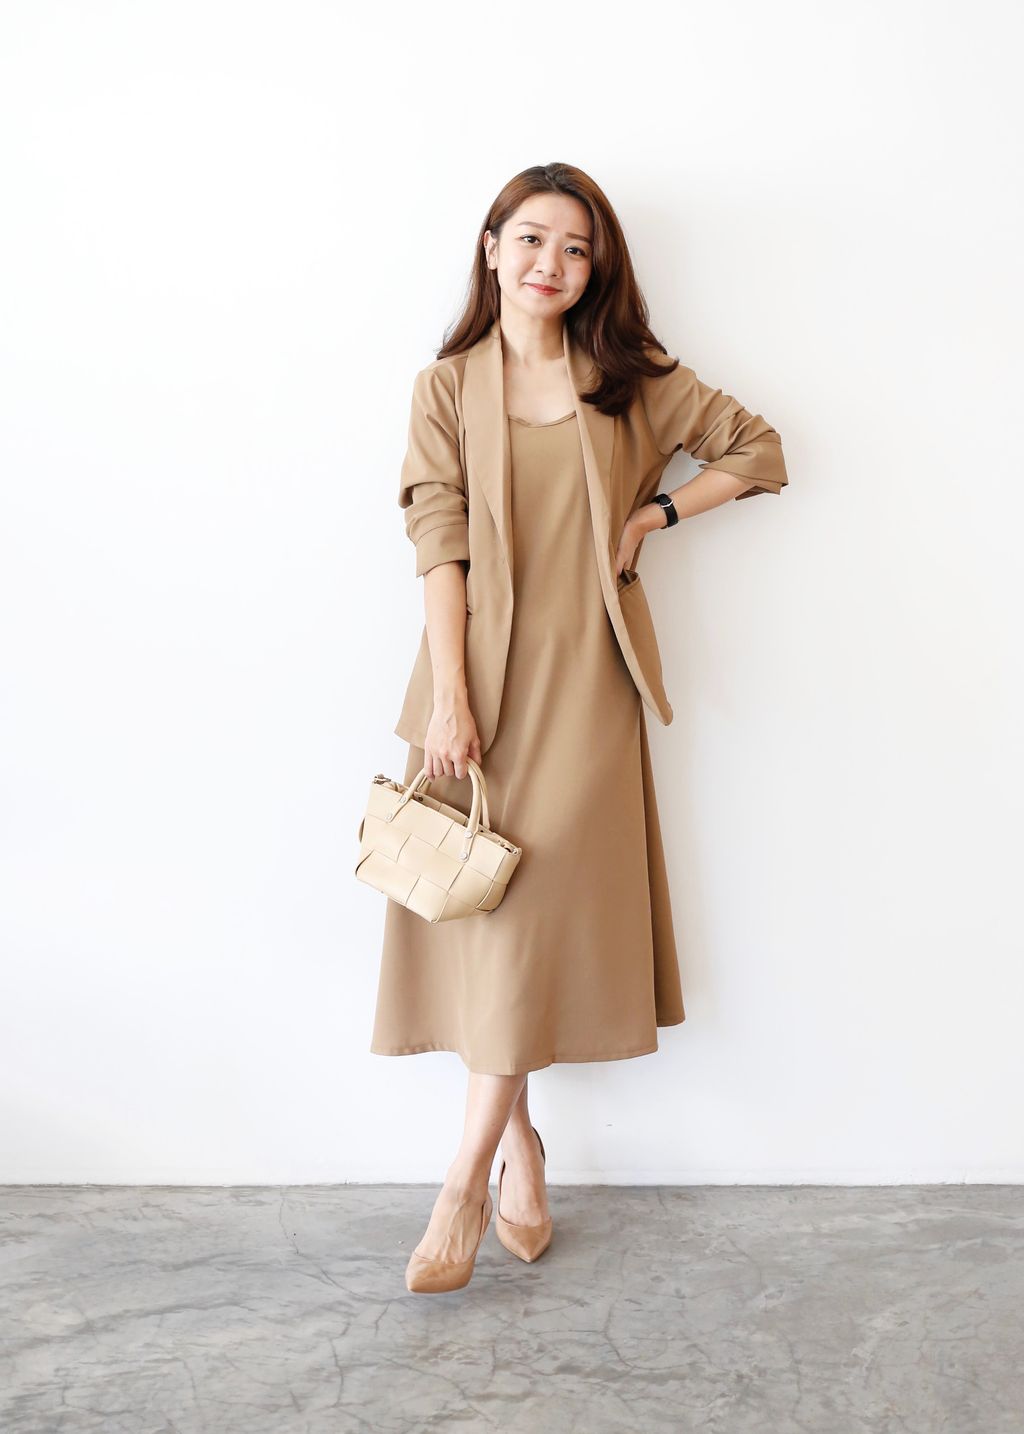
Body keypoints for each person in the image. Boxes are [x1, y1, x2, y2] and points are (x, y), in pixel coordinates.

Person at [369, 162, 790, 1293]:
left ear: (594, 268)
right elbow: (437, 543)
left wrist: (654, 514)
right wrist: (450, 697)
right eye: (532, 239)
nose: (551, 263)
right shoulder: (445, 388)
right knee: (489, 924)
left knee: (529, 925)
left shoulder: (627, 380)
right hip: (473, 685)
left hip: (588, 688)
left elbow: (758, 452)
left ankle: (462, 1182)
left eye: (575, 247)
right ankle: (519, 1148)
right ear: (492, 247)